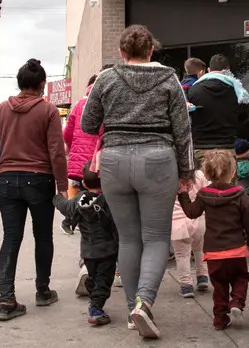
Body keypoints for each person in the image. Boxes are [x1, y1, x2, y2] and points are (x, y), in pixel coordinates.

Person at [81, 25, 194, 340]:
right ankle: (144, 303)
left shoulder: (106, 78)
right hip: (159, 159)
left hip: (115, 161)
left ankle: (133, 310)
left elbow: (88, 123)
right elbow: (183, 132)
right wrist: (186, 172)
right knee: (157, 238)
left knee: (129, 240)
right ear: (150, 50)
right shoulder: (170, 79)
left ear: (121, 52)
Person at [0, 58, 68, 321]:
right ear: (42, 85)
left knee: (11, 238)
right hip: (39, 181)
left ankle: (6, 300)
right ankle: (42, 291)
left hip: (7, 181)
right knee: (43, 237)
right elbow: (56, 152)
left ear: (19, 83)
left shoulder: (1, 109)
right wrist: (62, 187)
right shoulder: (48, 110)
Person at [177, 150, 249, 332]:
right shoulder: (240, 195)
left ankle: (220, 320)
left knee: (219, 286)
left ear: (206, 172)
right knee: (241, 277)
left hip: (213, 252)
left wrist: (182, 194)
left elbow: (192, 213)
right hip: (236, 249)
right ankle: (237, 301)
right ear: (232, 170)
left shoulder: (204, 195)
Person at [54, 161, 118, 327]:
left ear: (83, 183)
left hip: (88, 251)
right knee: (104, 281)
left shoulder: (77, 201)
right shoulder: (110, 201)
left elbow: (63, 206)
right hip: (108, 251)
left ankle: (91, 285)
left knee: (95, 276)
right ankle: (96, 310)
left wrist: (57, 197)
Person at [187, 54, 249, 168]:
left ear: (208, 70)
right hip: (227, 148)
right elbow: (244, 116)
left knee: (203, 185)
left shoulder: (194, 90)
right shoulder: (237, 91)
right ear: (228, 70)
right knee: (228, 186)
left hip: (201, 149)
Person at [62, 73, 100, 234]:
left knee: (82, 194)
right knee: (92, 195)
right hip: (95, 161)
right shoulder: (103, 103)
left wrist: (72, 150)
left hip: (78, 161)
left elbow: (67, 134)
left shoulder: (78, 105)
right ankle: (80, 224)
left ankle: (69, 221)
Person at [172, 168, 209, 298]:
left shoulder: (170, 176)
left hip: (178, 221)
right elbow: (207, 192)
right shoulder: (199, 175)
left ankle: (186, 285)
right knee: (200, 250)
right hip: (199, 218)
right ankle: (202, 277)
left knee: (182, 255)